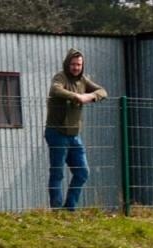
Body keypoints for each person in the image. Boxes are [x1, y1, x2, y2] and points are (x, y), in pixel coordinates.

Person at [46, 49, 107, 211]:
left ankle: (69, 208)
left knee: (82, 173)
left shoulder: (83, 80)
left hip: (74, 135)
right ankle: (57, 211)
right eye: (73, 64)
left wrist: (89, 97)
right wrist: (76, 97)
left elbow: (102, 91)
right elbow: (55, 89)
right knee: (57, 173)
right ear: (67, 64)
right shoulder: (60, 77)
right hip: (56, 133)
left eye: (79, 64)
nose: (76, 67)